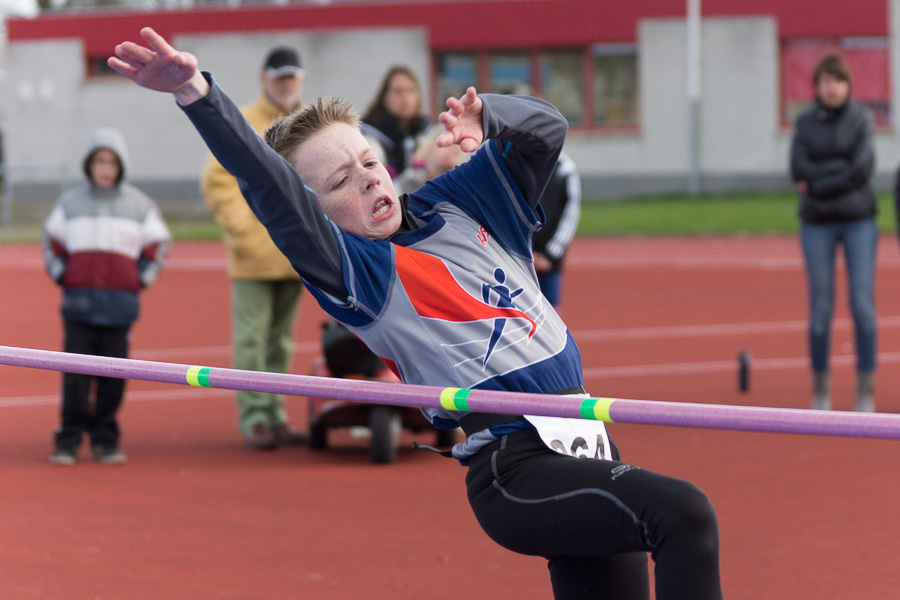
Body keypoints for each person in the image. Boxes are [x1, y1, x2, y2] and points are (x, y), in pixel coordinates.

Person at [109, 28, 723, 599]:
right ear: (318, 215)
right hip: (517, 466)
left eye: (370, 164)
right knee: (683, 512)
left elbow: (548, 132)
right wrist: (197, 94)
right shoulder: (358, 275)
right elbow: (272, 190)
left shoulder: (462, 201)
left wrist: (492, 117)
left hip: (590, 442)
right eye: (341, 183)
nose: (370, 184)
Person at [200, 46, 308, 449]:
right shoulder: (242, 119)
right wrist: (249, 231)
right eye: (279, 77)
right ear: (265, 79)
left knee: (281, 341)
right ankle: (254, 417)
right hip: (255, 255)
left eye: (292, 77)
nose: (285, 85)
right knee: (251, 340)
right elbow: (217, 181)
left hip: (298, 254)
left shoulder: (309, 124)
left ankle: (276, 413)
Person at [43, 126, 171, 465]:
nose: (105, 168)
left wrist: (140, 280)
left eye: (111, 162)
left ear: (121, 166)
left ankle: (105, 437)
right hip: (78, 307)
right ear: (88, 164)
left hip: (120, 309)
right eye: (99, 160)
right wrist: (62, 274)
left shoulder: (139, 205)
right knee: (75, 378)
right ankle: (68, 439)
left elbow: (158, 246)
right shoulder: (69, 203)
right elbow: (51, 243)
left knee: (113, 377)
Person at [790, 50, 878, 412]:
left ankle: (865, 390)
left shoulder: (862, 120)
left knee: (862, 305)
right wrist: (835, 176)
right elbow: (798, 169)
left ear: (848, 86)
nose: (833, 88)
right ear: (817, 86)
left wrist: (820, 181)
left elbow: (862, 168)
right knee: (821, 308)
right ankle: (821, 390)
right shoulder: (804, 124)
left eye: (839, 81)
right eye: (826, 81)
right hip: (816, 224)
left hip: (859, 220)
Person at [361, 66, 429, 179]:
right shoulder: (369, 136)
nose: (405, 97)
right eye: (398, 91)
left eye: (411, 90)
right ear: (384, 97)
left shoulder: (426, 131)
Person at [533, 152, 581, 308]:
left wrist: (549, 255)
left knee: (549, 314)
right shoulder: (513, 161)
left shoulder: (565, 169)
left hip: (548, 261)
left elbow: (570, 214)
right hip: (516, 258)